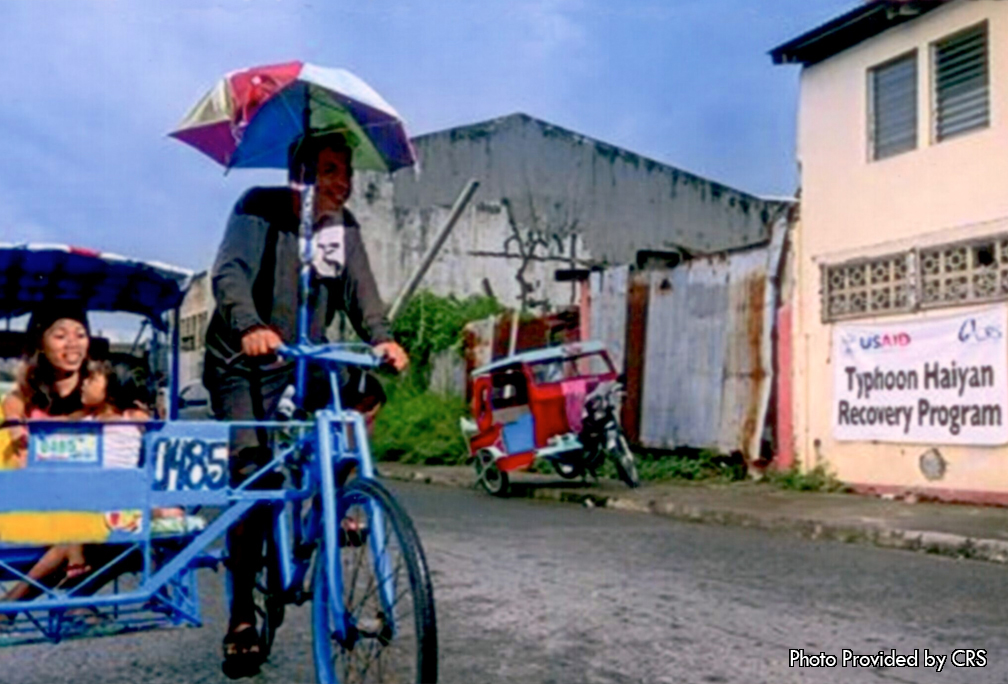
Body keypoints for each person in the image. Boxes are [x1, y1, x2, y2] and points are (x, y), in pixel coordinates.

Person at [203, 131, 409, 675]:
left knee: (365, 392)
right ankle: (242, 614)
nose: (341, 183)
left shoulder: (339, 228)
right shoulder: (259, 208)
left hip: (304, 357)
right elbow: (229, 274)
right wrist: (250, 326)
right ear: (300, 174)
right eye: (328, 170)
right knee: (255, 481)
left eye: (346, 172)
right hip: (243, 364)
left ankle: (333, 498)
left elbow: (359, 292)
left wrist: (381, 336)